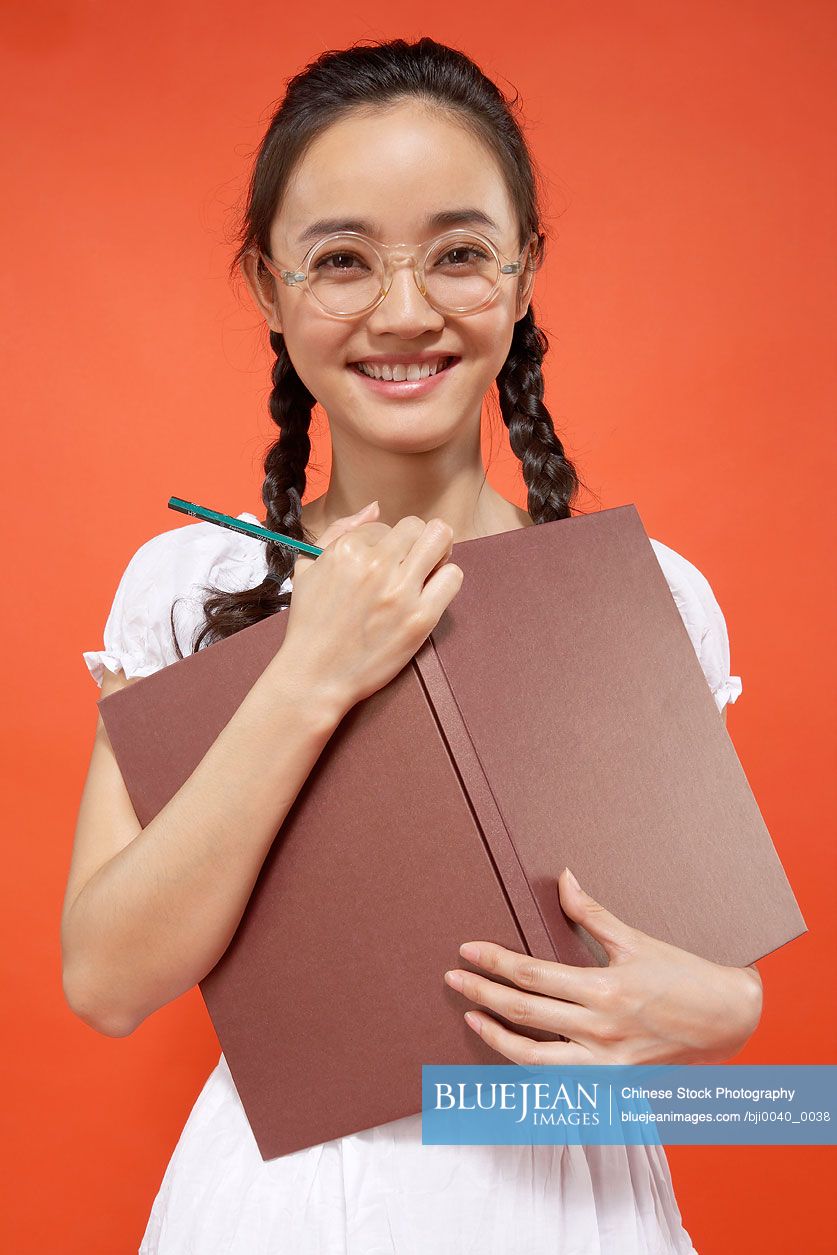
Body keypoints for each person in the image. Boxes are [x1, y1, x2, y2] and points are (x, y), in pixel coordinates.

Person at [64, 37, 761, 1255]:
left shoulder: (638, 595)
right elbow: (109, 980)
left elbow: (689, 980)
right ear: (270, 289)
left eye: (458, 254)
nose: (404, 310)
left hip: (570, 1199)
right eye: (340, 260)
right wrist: (312, 670)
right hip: (284, 1203)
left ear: (526, 271)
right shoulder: (191, 585)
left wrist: (729, 1012)